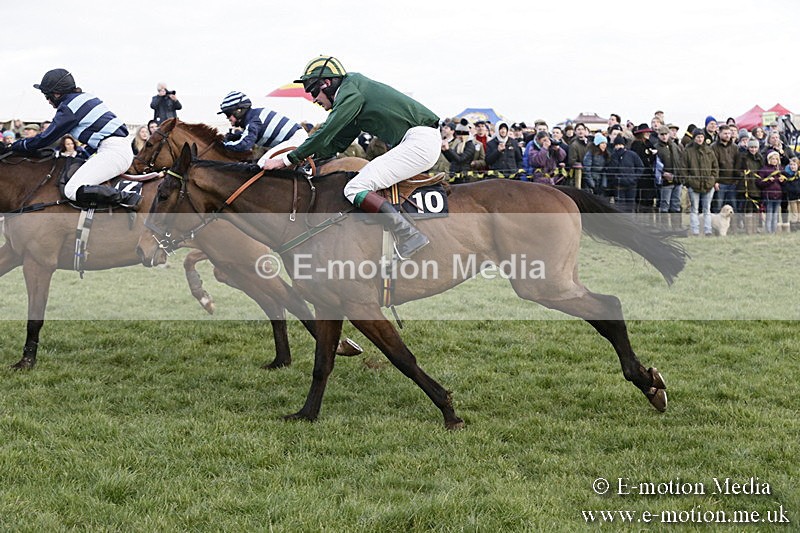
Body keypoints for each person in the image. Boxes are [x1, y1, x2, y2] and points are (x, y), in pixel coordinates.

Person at [259, 56, 440, 259]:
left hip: (419, 142)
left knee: (355, 188)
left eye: (312, 90)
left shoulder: (350, 90)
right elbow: (337, 143)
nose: (313, 99)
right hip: (418, 141)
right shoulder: (354, 94)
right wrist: (309, 159)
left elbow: (327, 130)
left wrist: (287, 160)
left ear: (326, 83)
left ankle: (410, 236)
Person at [9, 69, 139, 209]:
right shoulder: (86, 97)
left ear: (57, 94)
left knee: (71, 190)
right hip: (114, 150)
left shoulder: (69, 108)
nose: (47, 101)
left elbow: (45, 139)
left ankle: (128, 197)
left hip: (113, 153)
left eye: (47, 95)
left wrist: (16, 146)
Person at [216, 91, 308, 167]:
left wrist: (224, 144)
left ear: (239, 111)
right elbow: (247, 136)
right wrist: (234, 136)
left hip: (295, 140)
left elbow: (245, 145)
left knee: (262, 164)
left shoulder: (253, 122)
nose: (228, 118)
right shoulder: (253, 117)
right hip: (296, 138)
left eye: (228, 114)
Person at [683, 128, 719, 236]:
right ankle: (695, 230)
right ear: (694, 138)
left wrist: (712, 180)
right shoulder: (688, 151)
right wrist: (689, 181)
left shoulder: (709, 151)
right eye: (698, 137)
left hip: (708, 184)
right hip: (694, 185)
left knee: (707, 209)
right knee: (694, 209)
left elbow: (715, 167)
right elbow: (683, 169)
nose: (700, 139)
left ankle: (708, 230)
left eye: (701, 137)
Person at [654, 125, 684, 230]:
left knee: (676, 204)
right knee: (664, 205)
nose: (664, 137)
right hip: (665, 181)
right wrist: (662, 174)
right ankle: (664, 228)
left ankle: (677, 228)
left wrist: (680, 176)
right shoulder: (656, 148)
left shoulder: (675, 146)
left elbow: (681, 162)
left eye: (666, 134)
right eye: (662, 134)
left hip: (677, 180)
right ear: (658, 135)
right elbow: (654, 166)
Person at [607, 136, 643, 213]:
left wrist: (634, 178)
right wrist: (616, 179)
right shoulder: (613, 156)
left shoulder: (632, 155)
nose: (619, 147)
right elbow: (610, 170)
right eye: (617, 145)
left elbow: (640, 167)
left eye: (620, 144)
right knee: (620, 208)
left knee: (630, 207)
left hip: (631, 186)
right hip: (618, 186)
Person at [757, 151, 784, 234]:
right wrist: (768, 181)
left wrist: (782, 181)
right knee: (769, 214)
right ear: (769, 159)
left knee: (776, 214)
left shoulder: (780, 169)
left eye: (776, 159)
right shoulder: (764, 170)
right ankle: (768, 230)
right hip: (768, 196)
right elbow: (759, 183)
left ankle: (774, 230)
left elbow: (785, 182)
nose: (774, 160)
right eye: (773, 159)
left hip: (778, 195)